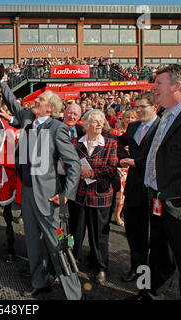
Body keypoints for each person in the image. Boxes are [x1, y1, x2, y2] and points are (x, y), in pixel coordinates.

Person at [1, 76, 82, 300]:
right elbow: (12, 103)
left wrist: (66, 194)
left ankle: (74, 293)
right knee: (32, 243)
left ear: (51, 108)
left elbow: (74, 163)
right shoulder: (27, 118)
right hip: (27, 191)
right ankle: (41, 282)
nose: (36, 100)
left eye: (42, 99)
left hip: (48, 196)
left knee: (58, 245)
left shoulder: (58, 128)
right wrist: (1, 82)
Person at [141, 64, 181, 300]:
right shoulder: (166, 114)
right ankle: (151, 293)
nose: (154, 88)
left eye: (159, 83)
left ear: (176, 85)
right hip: (157, 200)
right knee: (159, 256)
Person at [69, 109, 118, 284]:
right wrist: (78, 170)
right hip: (79, 195)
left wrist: (90, 173)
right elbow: (69, 163)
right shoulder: (75, 143)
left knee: (99, 236)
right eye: (95, 121)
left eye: (101, 121)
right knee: (75, 231)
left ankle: (101, 267)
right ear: (86, 124)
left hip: (101, 196)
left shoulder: (110, 143)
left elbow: (111, 168)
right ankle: (72, 261)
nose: (99, 124)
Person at [118, 91, 161, 283]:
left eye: (143, 106)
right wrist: (121, 158)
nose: (138, 110)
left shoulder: (163, 127)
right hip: (134, 189)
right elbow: (120, 143)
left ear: (155, 107)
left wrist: (135, 162)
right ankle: (139, 271)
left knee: (158, 238)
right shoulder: (133, 126)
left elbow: (160, 157)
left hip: (156, 191)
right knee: (135, 233)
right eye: (136, 107)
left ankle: (154, 277)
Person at [110, 109, 138, 227]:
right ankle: (116, 215)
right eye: (128, 117)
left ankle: (120, 213)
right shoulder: (116, 131)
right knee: (120, 193)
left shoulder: (137, 131)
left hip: (132, 166)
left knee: (127, 194)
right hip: (120, 166)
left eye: (132, 118)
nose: (130, 120)